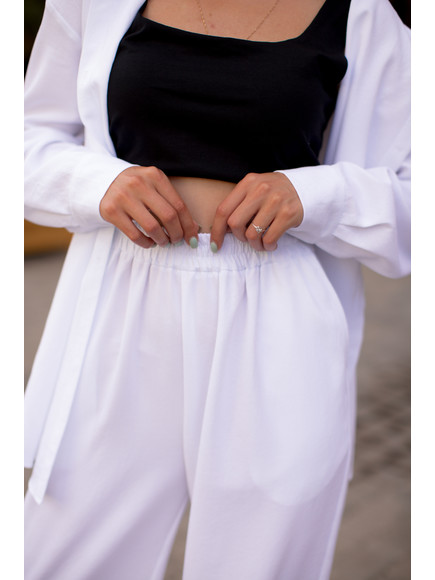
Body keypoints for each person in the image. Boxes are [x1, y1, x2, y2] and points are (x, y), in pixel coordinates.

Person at [24, 0, 410, 578]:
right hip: (121, 308)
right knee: (64, 558)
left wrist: (317, 195)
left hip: (279, 319)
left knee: (258, 564)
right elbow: (25, 140)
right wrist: (98, 183)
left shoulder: (364, 13)